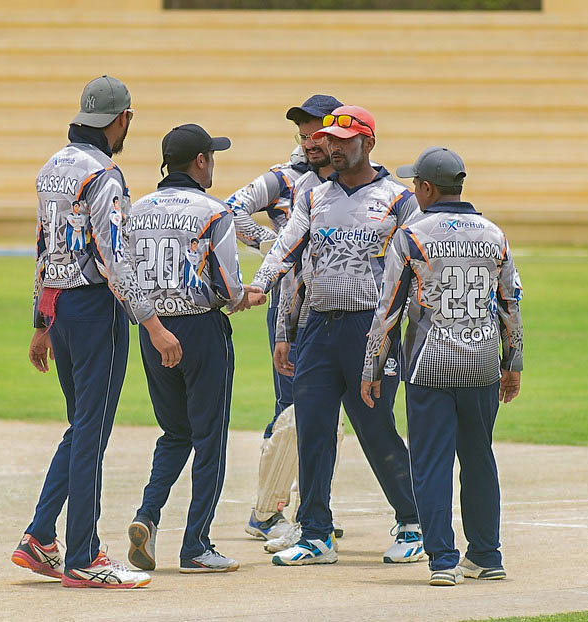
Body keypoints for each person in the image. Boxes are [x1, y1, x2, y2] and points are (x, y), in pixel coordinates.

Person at [11, 75, 182, 589]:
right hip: (95, 311)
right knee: (91, 432)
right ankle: (84, 555)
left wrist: (41, 322)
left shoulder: (52, 167)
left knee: (81, 427)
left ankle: (41, 537)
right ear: (122, 119)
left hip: (61, 310)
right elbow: (113, 258)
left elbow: (44, 246)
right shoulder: (105, 175)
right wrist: (152, 324)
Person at [250, 105, 425, 566]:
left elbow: (416, 266)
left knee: (375, 426)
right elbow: (288, 251)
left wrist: (403, 332)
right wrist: (264, 292)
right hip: (319, 328)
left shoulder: (397, 199)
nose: (334, 147)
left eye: (345, 141)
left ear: (368, 143)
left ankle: (414, 523)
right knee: (312, 427)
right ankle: (316, 533)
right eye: (329, 140)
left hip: (371, 330)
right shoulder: (313, 197)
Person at [361, 147, 524, 586]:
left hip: (429, 365)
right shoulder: (494, 234)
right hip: (483, 363)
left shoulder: (412, 235)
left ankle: (443, 561)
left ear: (427, 188)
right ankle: (486, 555)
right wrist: (513, 361)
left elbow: (388, 309)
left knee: (430, 463)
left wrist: (372, 367)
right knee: (478, 457)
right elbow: (509, 303)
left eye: (416, 184)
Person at [126, 123, 266, 574]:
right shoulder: (213, 210)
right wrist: (246, 296)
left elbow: (124, 276)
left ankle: (147, 514)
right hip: (202, 331)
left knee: (175, 434)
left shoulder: (136, 210)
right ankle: (196, 545)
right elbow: (227, 285)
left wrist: (152, 325)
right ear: (201, 161)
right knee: (210, 440)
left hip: (154, 331)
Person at [227, 94, 347, 543]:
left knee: (327, 412)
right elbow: (230, 209)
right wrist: (271, 244)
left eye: (317, 130)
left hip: (338, 304)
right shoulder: (283, 177)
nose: (308, 139)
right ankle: (267, 510)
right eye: (303, 132)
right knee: (293, 407)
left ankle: (311, 507)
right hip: (291, 305)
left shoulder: (353, 180)